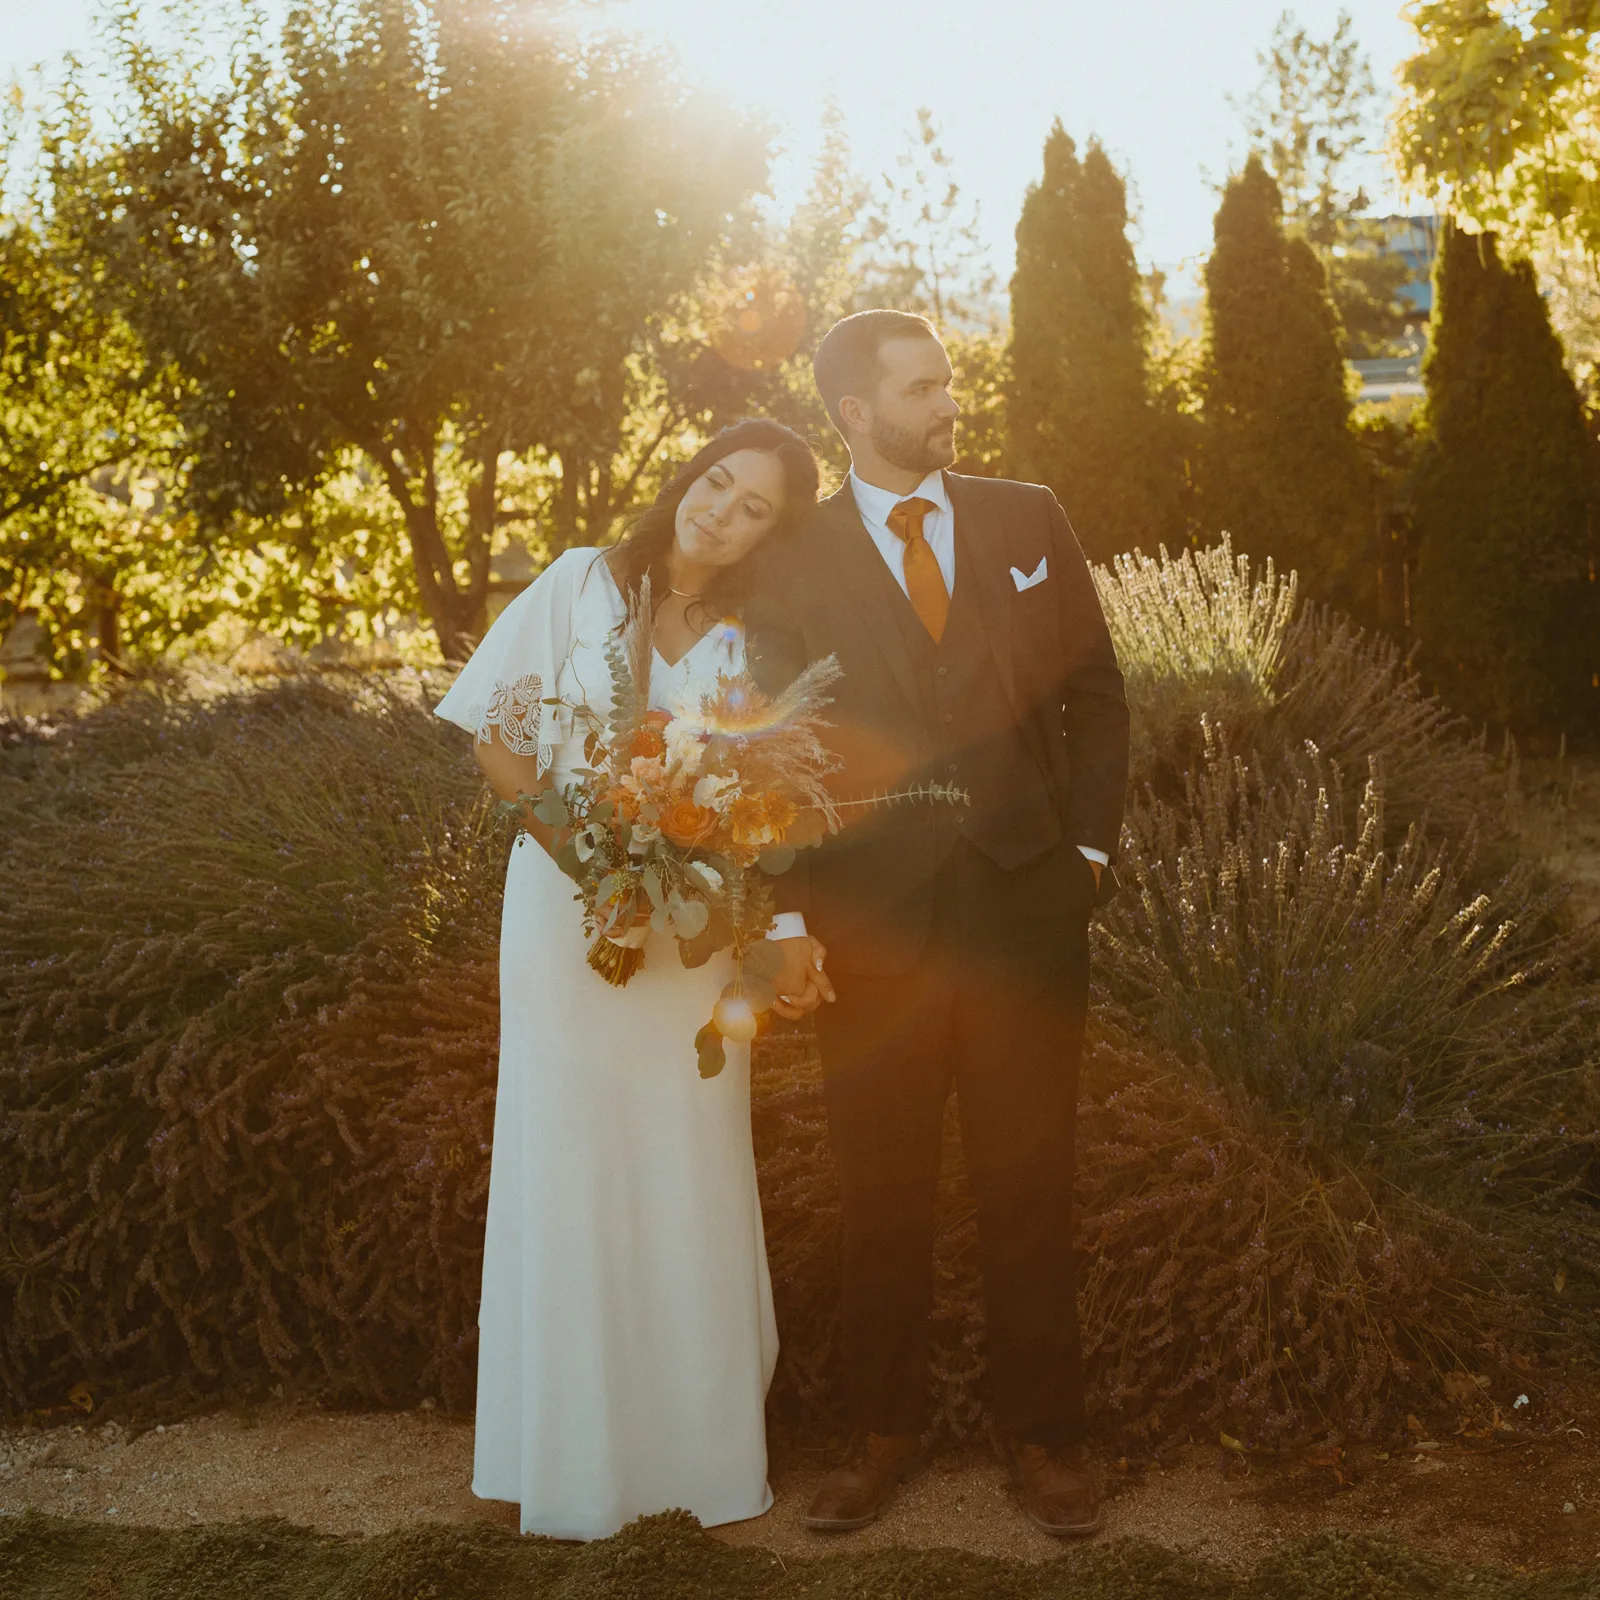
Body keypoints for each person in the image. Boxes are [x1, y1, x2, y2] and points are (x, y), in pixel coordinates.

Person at [747, 310, 1130, 1537]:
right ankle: (883, 1431)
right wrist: (794, 907)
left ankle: (1044, 1436)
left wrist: (1084, 853)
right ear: (854, 413)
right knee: (882, 1194)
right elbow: (773, 743)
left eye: (948, 379)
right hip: (871, 931)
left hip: (1027, 912)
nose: (946, 400)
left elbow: (1095, 692)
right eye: (921, 387)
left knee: (1030, 1181)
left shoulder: (1027, 517)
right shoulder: (793, 554)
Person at [433, 418, 823, 1540]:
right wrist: (594, 865)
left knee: (685, 1152)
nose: (724, 510)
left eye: (754, 506)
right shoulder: (573, 584)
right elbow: (497, 742)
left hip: (687, 937)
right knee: (568, 1159)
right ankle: (570, 1457)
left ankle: (695, 1453)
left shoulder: (749, 641)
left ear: (771, 533)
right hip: (561, 914)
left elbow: (762, 801)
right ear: (687, 479)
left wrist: (696, 894)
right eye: (718, 483)